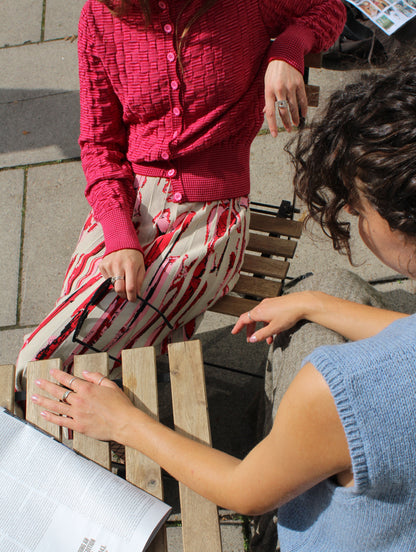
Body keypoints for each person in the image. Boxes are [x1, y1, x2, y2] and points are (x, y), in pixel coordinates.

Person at [31, 59, 416, 552]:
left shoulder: (340, 390)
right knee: (333, 287)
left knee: (307, 362)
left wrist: (125, 422)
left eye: (358, 205)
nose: (353, 216)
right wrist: (315, 302)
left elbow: (247, 492)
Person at [14, 0, 345, 391]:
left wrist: (288, 47)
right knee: (79, 330)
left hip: (213, 220)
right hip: (127, 203)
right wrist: (121, 236)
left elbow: (328, 8)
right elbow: (99, 145)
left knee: (44, 361)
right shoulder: (100, 17)